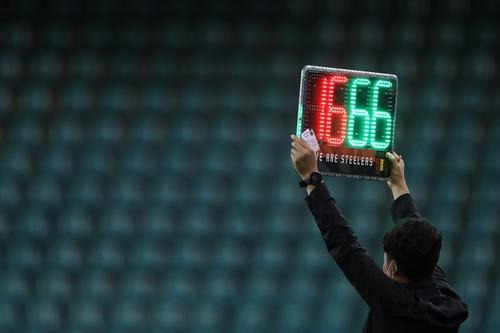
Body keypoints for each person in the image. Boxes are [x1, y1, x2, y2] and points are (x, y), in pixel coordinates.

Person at [290, 134, 468, 333]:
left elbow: (346, 247)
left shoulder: (396, 306)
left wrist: (310, 177)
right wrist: (398, 185)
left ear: (392, 268)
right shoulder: (448, 303)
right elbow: (415, 232)